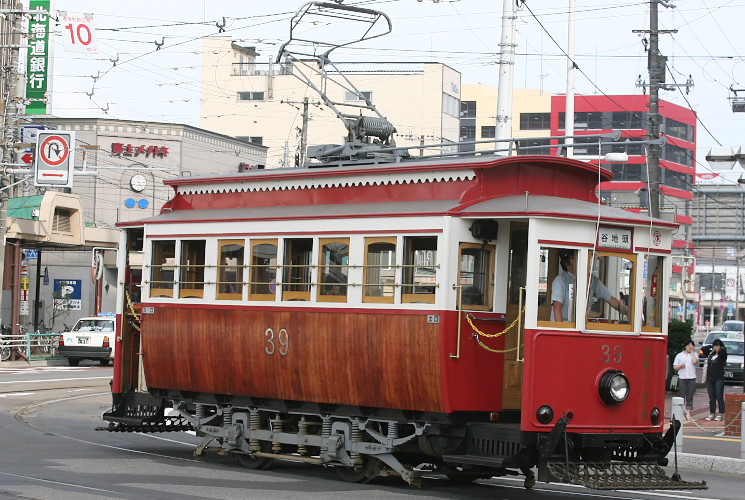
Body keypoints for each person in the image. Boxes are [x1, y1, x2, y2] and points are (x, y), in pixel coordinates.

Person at [551, 250, 629, 322]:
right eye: (575, 257)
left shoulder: (591, 279)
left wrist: (628, 311)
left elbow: (610, 298)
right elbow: (557, 307)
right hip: (564, 327)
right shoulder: (560, 280)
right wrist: (561, 331)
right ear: (566, 262)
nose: (580, 259)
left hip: (581, 325)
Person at [673, 338, 699, 420]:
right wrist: (680, 366)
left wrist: (692, 352)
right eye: (688, 346)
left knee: (690, 395)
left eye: (691, 345)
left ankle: (688, 413)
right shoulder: (679, 355)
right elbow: (675, 367)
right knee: (681, 395)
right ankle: (681, 412)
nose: (690, 347)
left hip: (691, 377)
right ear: (685, 346)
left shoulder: (694, 354)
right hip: (682, 377)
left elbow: (695, 362)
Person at [703, 338, 728, 421]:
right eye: (714, 346)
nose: (715, 348)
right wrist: (711, 345)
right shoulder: (711, 355)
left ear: (720, 347)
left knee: (719, 396)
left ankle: (721, 413)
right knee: (712, 397)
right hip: (710, 378)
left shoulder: (722, 355)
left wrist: (721, 347)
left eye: (717, 346)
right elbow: (703, 349)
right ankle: (712, 413)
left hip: (719, 378)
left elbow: (723, 352)